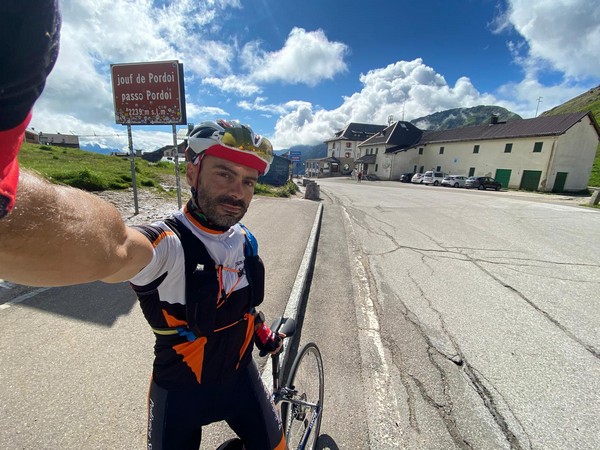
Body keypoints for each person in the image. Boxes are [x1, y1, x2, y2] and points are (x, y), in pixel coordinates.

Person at [0, 2, 286, 449]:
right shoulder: (168, 243)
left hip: (242, 382)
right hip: (180, 397)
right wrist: (6, 201)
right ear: (191, 173)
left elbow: (244, 308)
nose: (238, 192)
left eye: (249, 182)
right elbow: (112, 247)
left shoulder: (245, 239)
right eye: (224, 174)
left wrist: (263, 332)